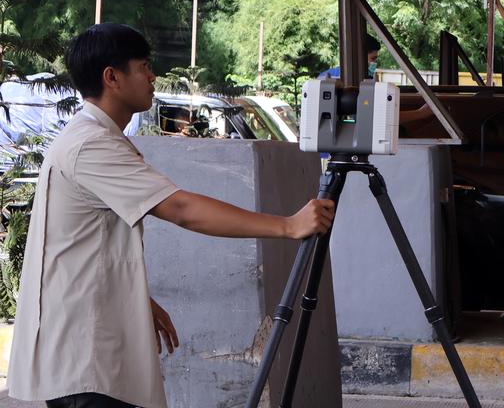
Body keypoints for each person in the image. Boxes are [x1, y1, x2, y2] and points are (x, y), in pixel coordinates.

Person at [8, 24, 336, 408]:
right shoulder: (91, 145)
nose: (152, 77)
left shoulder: (91, 137)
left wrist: (136, 297)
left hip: (84, 351)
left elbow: (82, 241)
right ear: (111, 78)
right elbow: (181, 209)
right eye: (143, 66)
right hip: (84, 360)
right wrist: (288, 225)